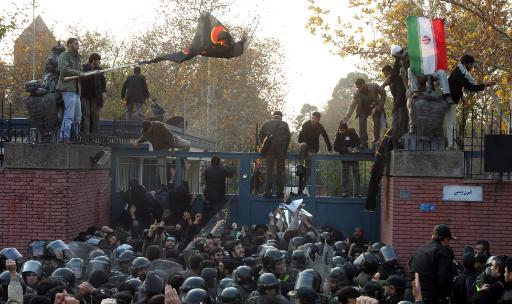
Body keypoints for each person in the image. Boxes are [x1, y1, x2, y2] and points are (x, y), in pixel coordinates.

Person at [447, 54, 496, 150]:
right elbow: (471, 87)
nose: (472, 67)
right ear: (465, 63)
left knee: (450, 123)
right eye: (470, 65)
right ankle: (451, 145)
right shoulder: (459, 74)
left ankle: (451, 144)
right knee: (451, 123)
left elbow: (455, 86)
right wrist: (485, 84)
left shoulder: (460, 71)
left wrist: (462, 98)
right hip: (449, 101)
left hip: (453, 100)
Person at [132, 120, 191, 187]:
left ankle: (182, 159)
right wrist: (138, 141)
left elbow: (169, 135)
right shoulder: (144, 131)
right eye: (146, 131)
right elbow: (144, 138)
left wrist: (172, 147)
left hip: (172, 141)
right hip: (161, 148)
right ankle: (163, 185)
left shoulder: (159, 125)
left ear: (151, 125)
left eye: (148, 130)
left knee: (187, 145)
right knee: (161, 163)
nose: (148, 132)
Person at [411, 224, 457, 304]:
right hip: (429, 295)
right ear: (445, 239)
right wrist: (447, 294)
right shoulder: (442, 251)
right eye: (449, 240)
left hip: (412, 291)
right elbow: (443, 278)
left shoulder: (421, 249)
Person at [344, 78, 386, 149]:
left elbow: (384, 94)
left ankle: (376, 141)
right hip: (363, 108)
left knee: (376, 122)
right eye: (357, 87)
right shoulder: (357, 94)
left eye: (360, 87)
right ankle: (363, 143)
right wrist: (347, 116)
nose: (359, 89)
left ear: (364, 84)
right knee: (362, 122)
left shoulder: (374, 86)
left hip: (375, 106)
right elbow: (352, 105)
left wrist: (380, 105)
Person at [297, 111, 332, 196]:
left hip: (313, 148)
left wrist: (329, 148)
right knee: (303, 145)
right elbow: (303, 138)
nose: (313, 120)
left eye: (315, 119)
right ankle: (300, 164)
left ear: (318, 120)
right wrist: (308, 150)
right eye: (312, 118)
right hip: (304, 144)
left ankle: (301, 189)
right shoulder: (305, 124)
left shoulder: (320, 127)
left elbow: (325, 136)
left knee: (308, 171)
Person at [56, 38, 84, 143]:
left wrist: (85, 74)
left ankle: (75, 137)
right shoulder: (64, 56)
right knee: (69, 115)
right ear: (69, 45)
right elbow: (64, 70)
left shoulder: (78, 58)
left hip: (76, 90)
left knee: (78, 116)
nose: (78, 46)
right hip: (68, 89)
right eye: (76, 44)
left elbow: (80, 72)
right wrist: (78, 73)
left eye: (78, 44)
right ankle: (64, 137)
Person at [259, 111, 291, 199]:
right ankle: (279, 193)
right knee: (280, 171)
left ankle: (267, 192)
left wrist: (265, 145)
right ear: (281, 117)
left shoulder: (266, 123)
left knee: (269, 171)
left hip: (269, 150)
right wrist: (285, 148)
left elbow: (260, 135)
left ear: (273, 116)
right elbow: (288, 137)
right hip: (281, 149)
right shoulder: (284, 124)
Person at [381, 50, 409, 145]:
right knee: (395, 123)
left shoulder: (396, 78)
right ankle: (396, 141)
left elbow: (401, 93)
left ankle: (403, 141)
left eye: (386, 74)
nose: (386, 77)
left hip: (401, 104)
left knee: (402, 123)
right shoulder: (391, 80)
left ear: (390, 71)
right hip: (397, 104)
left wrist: (395, 105)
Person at [80, 53, 106, 135]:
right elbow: (82, 80)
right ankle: (86, 135)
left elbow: (103, 83)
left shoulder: (100, 70)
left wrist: (104, 92)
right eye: (98, 60)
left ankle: (95, 136)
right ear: (93, 60)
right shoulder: (84, 68)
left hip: (96, 97)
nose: (99, 62)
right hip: (85, 95)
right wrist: (93, 74)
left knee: (95, 115)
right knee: (86, 115)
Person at [333, 120, 360, 197]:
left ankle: (357, 193)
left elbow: (358, 141)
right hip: (344, 157)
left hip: (354, 157)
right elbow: (335, 148)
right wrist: (346, 149)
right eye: (340, 130)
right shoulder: (338, 135)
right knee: (345, 175)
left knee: (356, 175)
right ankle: (345, 192)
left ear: (347, 129)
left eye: (342, 130)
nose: (341, 131)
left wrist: (356, 148)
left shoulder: (352, 132)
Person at [203, 156, 234, 221]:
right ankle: (215, 228)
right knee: (217, 215)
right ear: (219, 162)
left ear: (211, 162)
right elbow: (231, 173)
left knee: (207, 214)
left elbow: (205, 180)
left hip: (208, 196)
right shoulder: (222, 169)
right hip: (219, 196)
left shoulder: (207, 170)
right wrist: (226, 166)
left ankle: (206, 227)